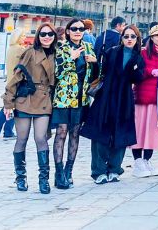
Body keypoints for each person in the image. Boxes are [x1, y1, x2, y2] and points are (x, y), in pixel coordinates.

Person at [81, 25, 145, 184]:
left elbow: (138, 78)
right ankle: (99, 171)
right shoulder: (111, 52)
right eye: (126, 36)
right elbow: (101, 72)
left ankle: (114, 169)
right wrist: (96, 62)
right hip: (106, 96)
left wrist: (135, 68)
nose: (129, 39)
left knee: (121, 133)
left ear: (137, 39)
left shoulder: (138, 57)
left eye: (132, 37)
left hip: (124, 98)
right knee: (100, 133)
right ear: (121, 38)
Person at [2, 23, 56, 193]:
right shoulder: (30, 52)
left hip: (45, 100)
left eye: (50, 34)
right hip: (25, 99)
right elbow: (16, 77)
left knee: (41, 138)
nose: (46, 37)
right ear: (38, 36)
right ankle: (20, 177)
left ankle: (44, 180)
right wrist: (8, 102)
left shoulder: (59, 54)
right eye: (43, 34)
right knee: (22, 139)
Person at [52, 19, 98, 189]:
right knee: (61, 133)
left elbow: (95, 75)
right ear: (68, 31)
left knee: (74, 134)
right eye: (75, 29)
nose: (78, 31)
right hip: (64, 98)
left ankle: (69, 171)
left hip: (81, 98)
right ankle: (59, 173)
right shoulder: (61, 48)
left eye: (81, 29)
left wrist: (95, 63)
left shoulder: (88, 47)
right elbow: (56, 73)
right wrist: (71, 59)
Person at [131, 24, 158, 178]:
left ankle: (147, 160)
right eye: (157, 35)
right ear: (152, 37)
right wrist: (150, 72)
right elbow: (136, 72)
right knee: (139, 130)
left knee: (152, 132)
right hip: (143, 97)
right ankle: (137, 162)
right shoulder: (143, 53)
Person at [0, 29, 30, 139]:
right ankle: (7, 131)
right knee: (13, 107)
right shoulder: (20, 50)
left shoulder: (11, 49)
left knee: (7, 107)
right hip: (16, 82)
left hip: (10, 80)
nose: (24, 38)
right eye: (22, 36)